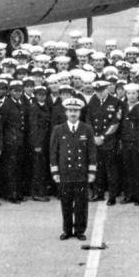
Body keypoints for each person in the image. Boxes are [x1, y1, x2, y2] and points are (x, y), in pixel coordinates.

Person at [49, 97, 97, 240]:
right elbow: (53, 152)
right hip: (65, 172)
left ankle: (80, 230)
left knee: (81, 204)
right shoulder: (59, 129)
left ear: (80, 112)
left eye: (76, 111)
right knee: (66, 203)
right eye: (70, 110)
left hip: (81, 172)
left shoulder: (86, 129)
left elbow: (92, 151)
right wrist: (55, 171)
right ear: (66, 112)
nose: (73, 113)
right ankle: (67, 230)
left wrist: (92, 171)